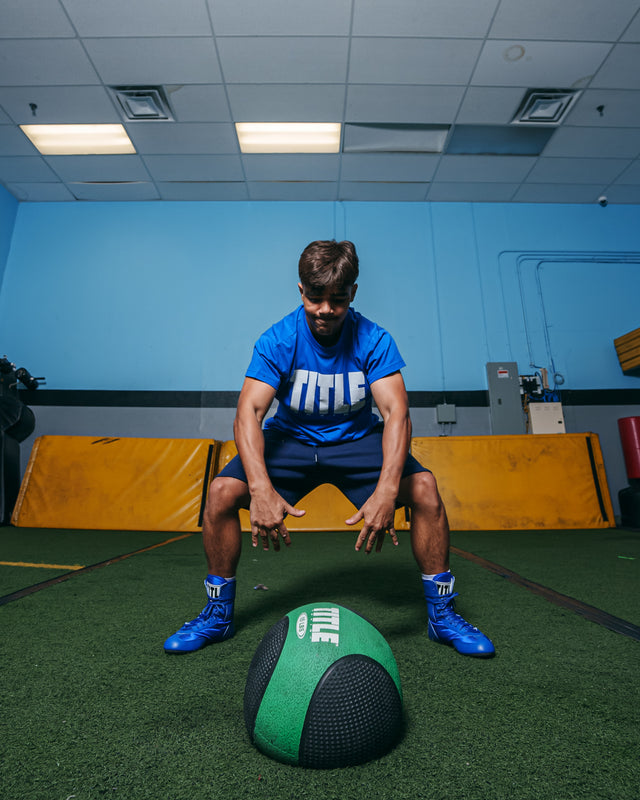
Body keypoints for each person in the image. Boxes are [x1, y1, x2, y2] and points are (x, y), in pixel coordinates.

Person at [164, 240, 494, 658]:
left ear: (352, 293)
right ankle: (217, 615)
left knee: (425, 489)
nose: (325, 309)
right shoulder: (279, 339)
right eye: (315, 298)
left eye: (337, 299)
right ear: (300, 291)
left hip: (358, 443)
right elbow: (248, 412)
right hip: (291, 442)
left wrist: (389, 491)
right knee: (221, 493)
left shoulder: (374, 340)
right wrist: (262, 490)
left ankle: (442, 615)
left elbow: (397, 414)